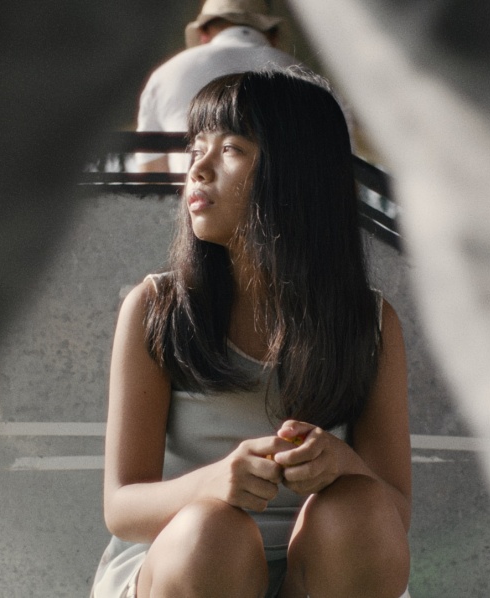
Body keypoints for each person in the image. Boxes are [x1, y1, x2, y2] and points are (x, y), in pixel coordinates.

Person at [91, 70, 411, 598]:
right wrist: (213, 483)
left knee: (365, 511)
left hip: (317, 576)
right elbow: (121, 507)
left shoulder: (369, 322)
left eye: (230, 149)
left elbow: (395, 511)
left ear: (297, 173)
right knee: (212, 534)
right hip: (183, 568)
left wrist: (342, 463)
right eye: (197, 148)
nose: (199, 167)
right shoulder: (156, 308)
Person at [133, 0, 300, 173]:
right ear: (273, 36)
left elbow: (151, 174)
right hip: (284, 189)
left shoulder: (165, 73)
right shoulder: (301, 72)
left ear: (203, 34)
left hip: (193, 187)